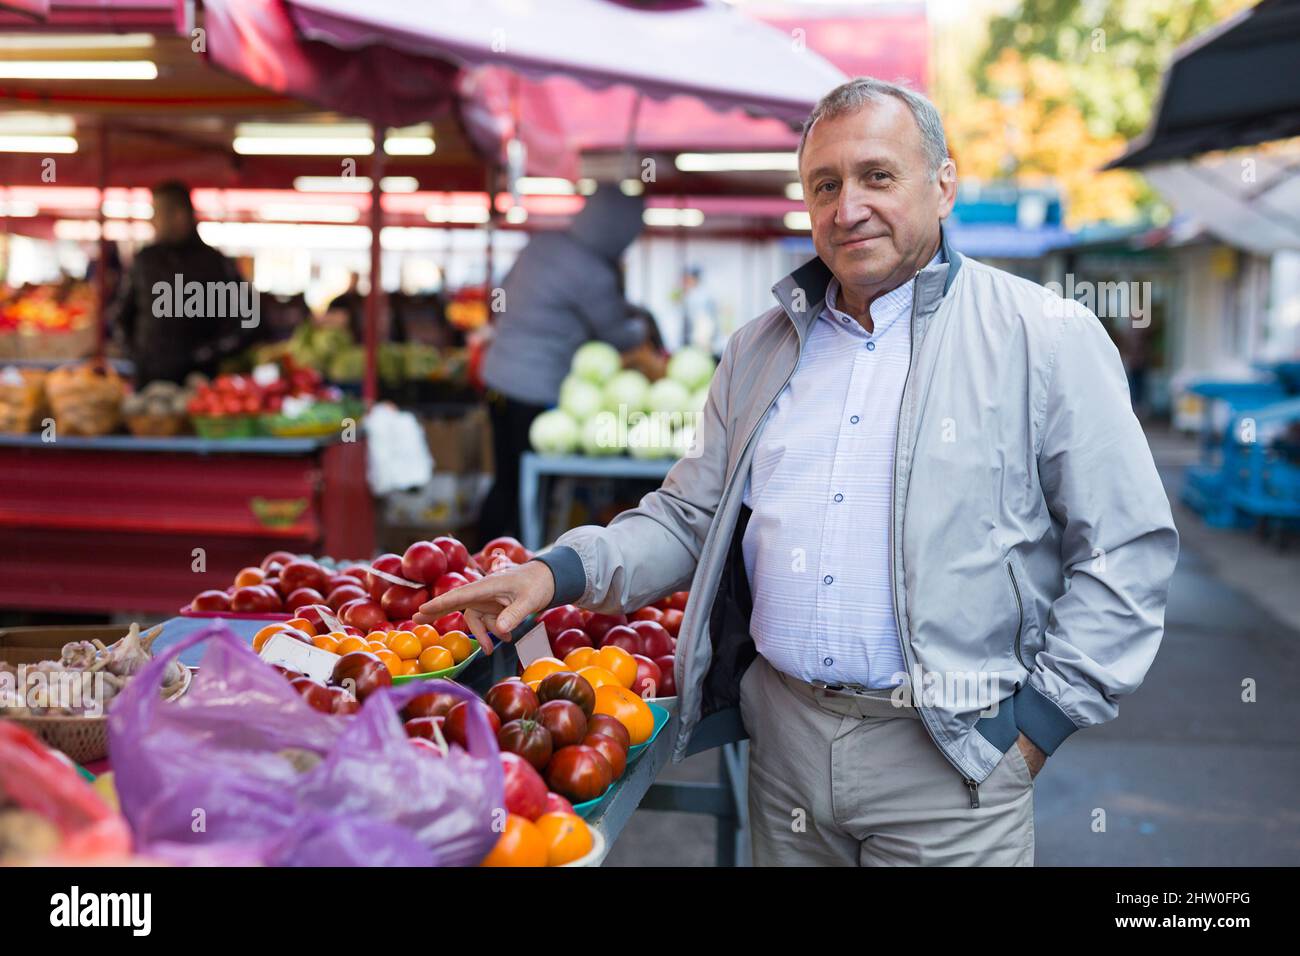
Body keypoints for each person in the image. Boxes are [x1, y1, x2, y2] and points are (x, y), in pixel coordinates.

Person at [418, 78, 1179, 866]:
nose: (848, 207)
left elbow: (1126, 546)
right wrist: (557, 572)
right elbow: (688, 517)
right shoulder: (761, 348)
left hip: (953, 763)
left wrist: (1038, 726)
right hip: (784, 750)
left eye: (877, 176)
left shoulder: (1042, 336)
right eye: (825, 184)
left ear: (944, 184)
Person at [476, 183, 650, 543]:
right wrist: (642, 324)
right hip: (536, 392)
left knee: (506, 478)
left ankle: (478, 559)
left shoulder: (542, 245)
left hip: (497, 379)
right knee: (532, 486)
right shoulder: (593, 273)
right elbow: (618, 334)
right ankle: (524, 562)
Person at [111, 181, 249, 386]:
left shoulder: (216, 264)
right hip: (148, 382)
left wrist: (206, 354)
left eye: (157, 213)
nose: (152, 221)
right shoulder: (144, 261)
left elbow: (247, 323)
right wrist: (136, 355)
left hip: (200, 385)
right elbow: (120, 316)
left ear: (180, 215)